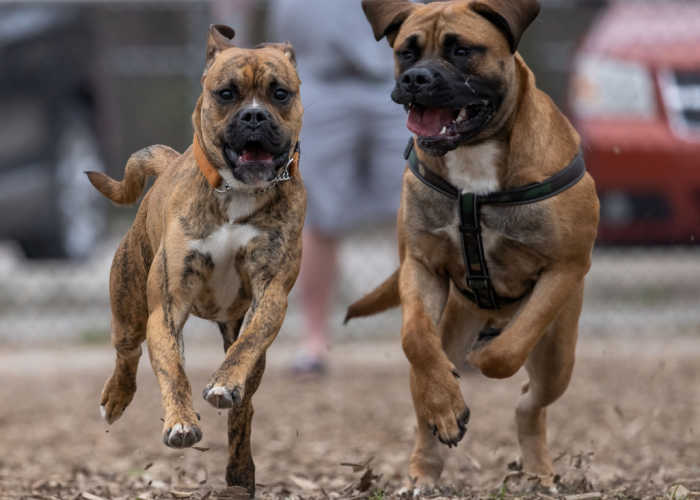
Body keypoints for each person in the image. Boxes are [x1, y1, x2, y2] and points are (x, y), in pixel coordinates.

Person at [266, 0, 406, 373]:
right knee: (317, 216)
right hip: (314, 80)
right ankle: (314, 341)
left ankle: (434, 333)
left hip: (399, 76)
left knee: (418, 212)